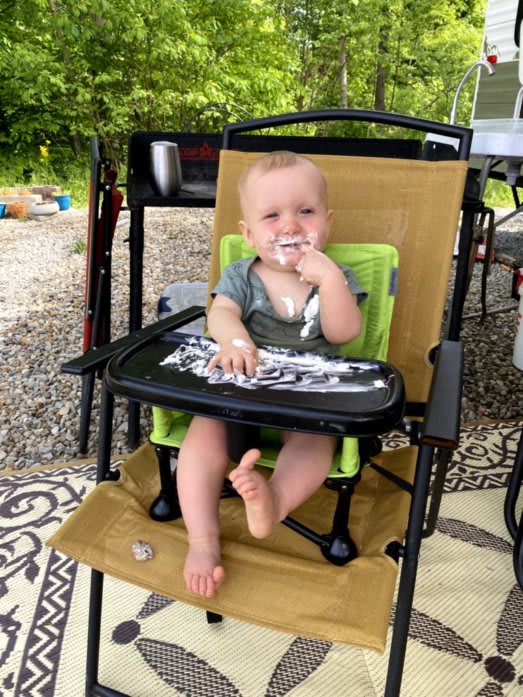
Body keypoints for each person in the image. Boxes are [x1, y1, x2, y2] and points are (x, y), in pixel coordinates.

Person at [176, 150, 367, 598]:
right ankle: (202, 540)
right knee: (203, 433)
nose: (289, 226)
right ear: (248, 233)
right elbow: (220, 313)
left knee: (314, 442)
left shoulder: (336, 275)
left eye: (305, 211)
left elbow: (343, 332)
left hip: (306, 391)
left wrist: (332, 282)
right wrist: (235, 340)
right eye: (271, 215)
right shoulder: (241, 275)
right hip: (244, 385)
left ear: (327, 221)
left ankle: (275, 499)